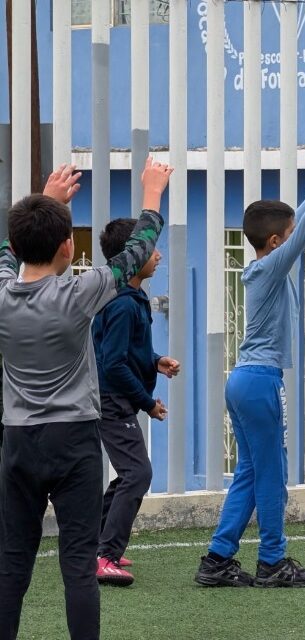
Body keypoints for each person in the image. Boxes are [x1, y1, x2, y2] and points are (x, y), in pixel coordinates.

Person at [0, 159, 172, 639]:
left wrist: (48, 200)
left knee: (13, 560)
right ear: (66, 247)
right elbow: (135, 253)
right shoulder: (78, 293)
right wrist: (153, 193)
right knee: (78, 563)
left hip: (17, 441)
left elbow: (9, 252)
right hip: (73, 441)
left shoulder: (2, 294)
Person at [195, 135, 305, 588]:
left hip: (244, 381)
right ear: (274, 241)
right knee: (273, 476)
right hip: (260, 382)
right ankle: (272, 560)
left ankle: (217, 559)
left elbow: (298, 223)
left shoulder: (266, 267)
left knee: (251, 471)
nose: (296, 242)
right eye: (287, 238)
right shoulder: (271, 267)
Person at [92, 218, 181, 586]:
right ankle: (104, 555)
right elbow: (110, 364)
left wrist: (153, 361)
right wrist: (147, 402)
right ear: (133, 257)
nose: (157, 255)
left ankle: (94, 545)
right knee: (138, 473)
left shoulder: (130, 299)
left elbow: (124, 352)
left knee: (132, 473)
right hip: (112, 402)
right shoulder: (124, 304)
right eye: (150, 249)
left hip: (115, 401)